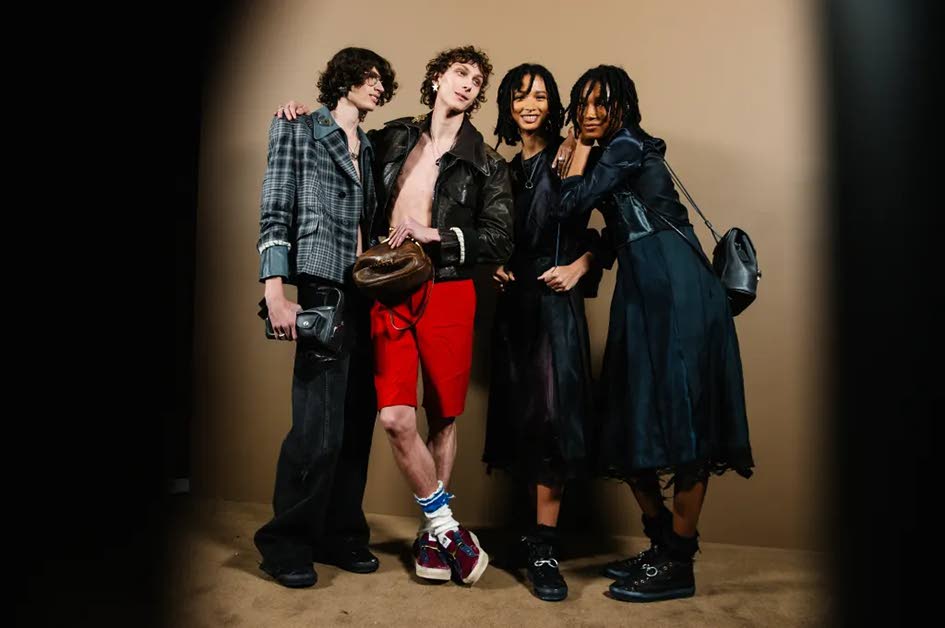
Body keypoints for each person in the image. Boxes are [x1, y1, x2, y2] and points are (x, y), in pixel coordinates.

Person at [279, 45, 513, 585]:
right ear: (437, 78)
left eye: (477, 81)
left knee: (444, 415)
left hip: (448, 288)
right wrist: (306, 115)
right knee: (394, 417)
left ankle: (432, 538)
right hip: (388, 288)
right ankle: (448, 527)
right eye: (460, 73)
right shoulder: (393, 137)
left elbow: (500, 238)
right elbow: (343, 136)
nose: (468, 84)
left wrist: (436, 234)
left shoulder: (487, 161)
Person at [557, 65, 754, 602]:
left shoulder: (624, 146)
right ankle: (665, 545)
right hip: (645, 291)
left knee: (686, 423)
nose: (591, 113)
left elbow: (570, 203)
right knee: (631, 417)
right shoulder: (616, 151)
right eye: (583, 104)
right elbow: (609, 226)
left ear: (623, 106)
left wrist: (575, 148)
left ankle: (678, 562)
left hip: (677, 291)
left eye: (602, 103)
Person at [254, 47, 397, 589]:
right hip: (321, 287)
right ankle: (285, 544)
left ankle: (340, 534)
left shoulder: (373, 146)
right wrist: (274, 289)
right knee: (317, 427)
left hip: (367, 290)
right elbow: (275, 209)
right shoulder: (298, 128)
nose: (377, 86)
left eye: (383, 81)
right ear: (343, 79)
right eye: (369, 76)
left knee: (357, 422)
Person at [483, 63, 602, 602]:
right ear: (507, 105)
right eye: (519, 95)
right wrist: (497, 265)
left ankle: (546, 550)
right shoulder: (504, 168)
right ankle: (530, 538)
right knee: (524, 419)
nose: (529, 104)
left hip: (555, 302)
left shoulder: (572, 151)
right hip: (517, 306)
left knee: (554, 419)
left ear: (553, 104)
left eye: (539, 95)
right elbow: (498, 235)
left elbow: (611, 228)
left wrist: (579, 267)